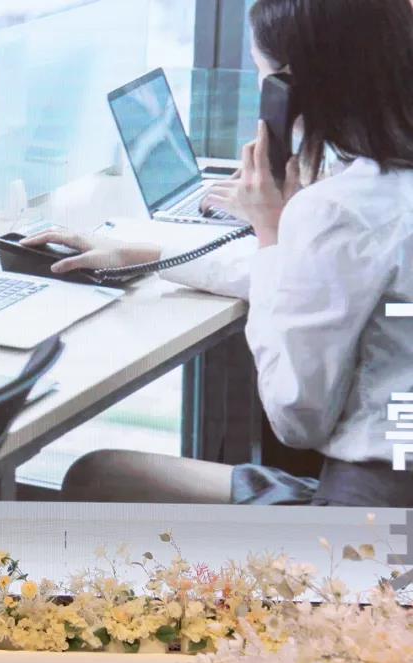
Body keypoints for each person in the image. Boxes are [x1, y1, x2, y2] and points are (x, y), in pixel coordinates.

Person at [43, 0, 413, 506]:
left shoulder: (339, 209)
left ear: (290, 90)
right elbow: (331, 279)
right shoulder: (374, 194)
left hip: (367, 525)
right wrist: (147, 252)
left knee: (97, 477)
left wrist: (271, 230)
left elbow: (296, 419)